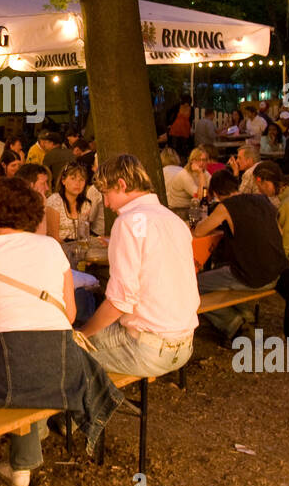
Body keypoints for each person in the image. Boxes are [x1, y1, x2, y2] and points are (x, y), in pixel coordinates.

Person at [0, 176, 125, 486]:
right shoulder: (50, 247)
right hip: (62, 365)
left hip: (8, 367)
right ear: (32, 211)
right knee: (24, 365)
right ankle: (25, 450)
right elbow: (70, 315)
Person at [78, 155, 199, 377]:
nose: (106, 203)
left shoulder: (128, 223)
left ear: (121, 184)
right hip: (185, 343)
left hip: (147, 348)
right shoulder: (174, 220)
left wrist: (82, 335)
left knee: (66, 351)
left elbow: (120, 301)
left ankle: (81, 410)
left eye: (106, 194)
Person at [192, 169, 289, 340]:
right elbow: (280, 232)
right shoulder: (262, 200)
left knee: (193, 286)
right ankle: (245, 311)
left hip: (252, 277)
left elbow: (200, 231)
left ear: (216, 193)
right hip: (277, 272)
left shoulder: (226, 207)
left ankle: (233, 322)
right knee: (220, 270)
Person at [46, 162, 105, 240]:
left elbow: (84, 234)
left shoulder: (85, 204)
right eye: (73, 178)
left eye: (81, 179)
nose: (77, 183)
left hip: (78, 247)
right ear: (63, 181)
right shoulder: (54, 201)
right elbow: (53, 237)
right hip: (57, 248)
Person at [165, 147, 213, 212]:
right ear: (192, 161)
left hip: (193, 208)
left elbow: (214, 189)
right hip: (177, 210)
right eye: (198, 160)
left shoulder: (204, 172)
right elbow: (201, 198)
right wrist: (201, 174)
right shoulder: (184, 175)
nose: (201, 163)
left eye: (204, 160)